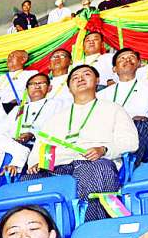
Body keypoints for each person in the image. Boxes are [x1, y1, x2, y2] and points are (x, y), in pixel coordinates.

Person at [26, 64, 138, 223]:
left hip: (93, 162)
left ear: (97, 80)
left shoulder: (113, 109)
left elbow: (130, 142)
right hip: (57, 166)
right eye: (75, 78)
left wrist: (104, 149)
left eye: (86, 74)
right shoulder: (56, 117)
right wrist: (36, 163)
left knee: (98, 170)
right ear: (69, 88)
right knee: (27, 181)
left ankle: (93, 228)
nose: (80, 79)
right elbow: (41, 146)